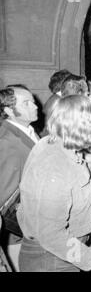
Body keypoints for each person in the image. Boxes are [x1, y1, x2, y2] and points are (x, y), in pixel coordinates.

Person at [17, 95, 91, 272]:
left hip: (62, 250)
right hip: (51, 259)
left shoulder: (54, 144)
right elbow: (50, 234)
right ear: (85, 127)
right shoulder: (56, 167)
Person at [0, 86, 39, 271]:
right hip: (17, 230)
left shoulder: (28, 130)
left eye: (33, 101)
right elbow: (5, 192)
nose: (35, 106)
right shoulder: (6, 140)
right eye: (27, 103)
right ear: (9, 110)